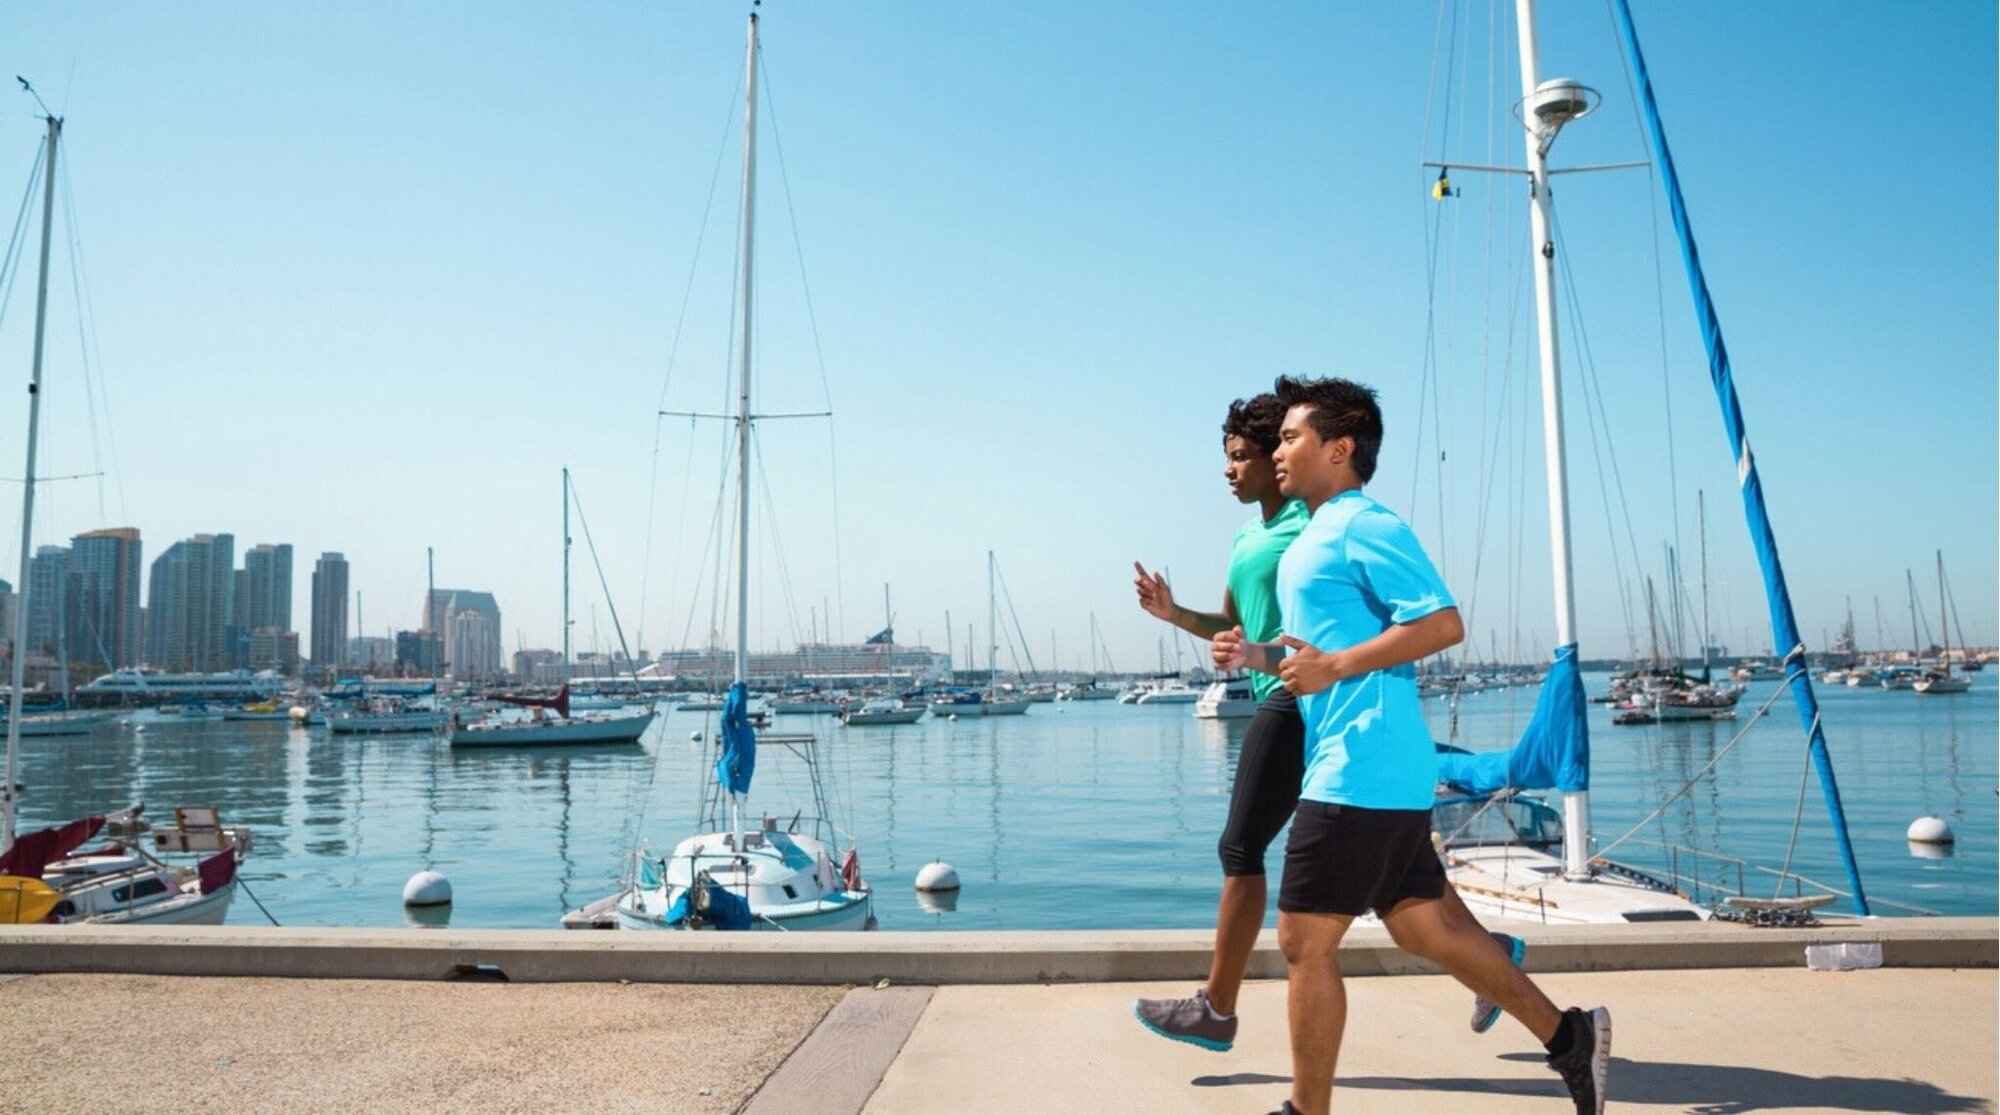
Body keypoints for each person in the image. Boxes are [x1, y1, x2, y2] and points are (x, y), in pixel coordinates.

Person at [1212, 375, 1610, 1115]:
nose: (1279, 450)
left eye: (1292, 437)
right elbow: (1312, 655)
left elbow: (1441, 622)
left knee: (1302, 941)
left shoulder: (1365, 523)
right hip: (1375, 765)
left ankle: (1306, 1110)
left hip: (1359, 765)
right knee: (1428, 925)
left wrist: (1335, 667)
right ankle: (1569, 1037)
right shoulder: (1313, 536)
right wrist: (1253, 656)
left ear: (1339, 449)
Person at [1129, 393, 1522, 1055]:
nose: (1232, 468)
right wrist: (1177, 617)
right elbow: (1237, 626)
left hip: (1300, 699)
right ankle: (1493, 956)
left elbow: (1383, 617)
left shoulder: (1314, 522)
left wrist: (1331, 665)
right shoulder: (1249, 536)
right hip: (1280, 686)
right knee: (1407, 876)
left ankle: (1218, 1007)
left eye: (1245, 454)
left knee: (1241, 847)